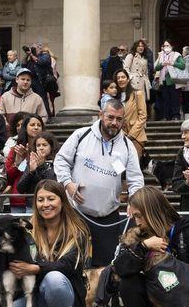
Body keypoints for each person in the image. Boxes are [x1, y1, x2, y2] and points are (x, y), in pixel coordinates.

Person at [0, 180, 91, 307]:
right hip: (26, 297)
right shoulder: (24, 228)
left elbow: (67, 266)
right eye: (40, 200)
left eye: (51, 198)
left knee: (55, 278)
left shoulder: (78, 230)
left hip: (62, 298)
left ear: (62, 201)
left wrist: (34, 268)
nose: (46, 204)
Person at [54, 99, 144, 266]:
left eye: (119, 119)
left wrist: (134, 200)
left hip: (108, 216)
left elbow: (136, 179)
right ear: (100, 115)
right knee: (70, 262)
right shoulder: (81, 135)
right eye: (110, 117)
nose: (114, 123)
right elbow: (60, 161)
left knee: (106, 266)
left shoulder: (127, 146)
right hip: (75, 212)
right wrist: (68, 183)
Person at [113, 68, 148, 159]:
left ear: (128, 79)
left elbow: (142, 116)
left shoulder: (138, 94)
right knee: (119, 166)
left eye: (123, 77)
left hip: (136, 136)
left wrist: (131, 134)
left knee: (134, 167)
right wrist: (121, 132)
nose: (120, 79)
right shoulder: (114, 97)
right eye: (118, 78)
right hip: (119, 136)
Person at [14, 131, 61, 196]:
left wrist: (42, 166)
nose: (41, 148)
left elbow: (53, 185)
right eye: (38, 145)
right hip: (31, 203)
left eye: (44, 145)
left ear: (51, 147)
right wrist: (31, 172)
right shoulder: (32, 162)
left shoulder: (58, 162)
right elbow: (20, 189)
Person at [153, 40, 184, 121]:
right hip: (163, 80)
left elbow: (182, 65)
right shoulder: (161, 55)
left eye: (168, 45)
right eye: (165, 46)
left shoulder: (177, 55)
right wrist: (162, 64)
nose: (166, 47)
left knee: (175, 98)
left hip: (174, 80)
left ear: (172, 46)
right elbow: (156, 67)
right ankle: (166, 116)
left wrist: (173, 63)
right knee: (165, 99)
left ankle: (176, 115)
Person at [123, 38, 152, 102]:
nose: (141, 48)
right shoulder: (131, 56)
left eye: (142, 46)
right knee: (134, 102)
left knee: (142, 103)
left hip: (143, 82)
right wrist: (131, 77)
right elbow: (126, 68)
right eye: (139, 46)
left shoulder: (144, 58)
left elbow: (146, 72)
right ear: (135, 47)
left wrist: (148, 82)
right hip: (134, 83)